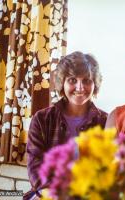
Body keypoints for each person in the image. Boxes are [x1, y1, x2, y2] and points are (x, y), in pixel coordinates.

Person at [24, 51, 107, 199]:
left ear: (95, 83)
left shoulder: (105, 121)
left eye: (87, 80)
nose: (80, 87)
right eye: (72, 80)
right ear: (62, 82)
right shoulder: (42, 119)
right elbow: (35, 165)